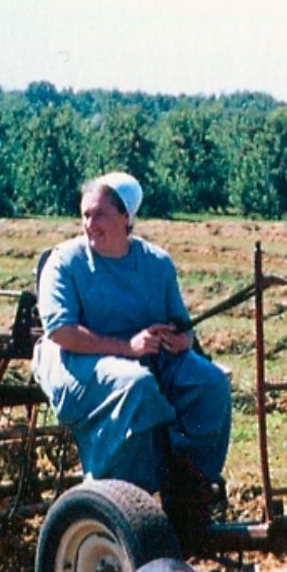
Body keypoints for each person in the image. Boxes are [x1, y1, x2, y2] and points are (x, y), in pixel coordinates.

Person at [32, 171, 232, 526]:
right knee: (136, 385)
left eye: (99, 215)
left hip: (145, 357)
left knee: (211, 382)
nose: (89, 224)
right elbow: (61, 332)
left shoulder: (156, 263)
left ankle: (190, 485)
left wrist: (177, 340)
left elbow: (183, 329)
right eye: (85, 215)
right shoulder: (65, 262)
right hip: (76, 360)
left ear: (126, 217)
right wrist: (128, 347)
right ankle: (123, 501)